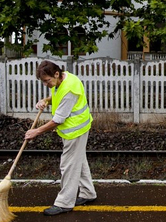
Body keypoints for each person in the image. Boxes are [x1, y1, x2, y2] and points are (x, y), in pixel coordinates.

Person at [25, 60, 97, 216]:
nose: (46, 84)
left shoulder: (70, 89)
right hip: (75, 129)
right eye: (43, 82)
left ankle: (64, 203)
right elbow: (56, 95)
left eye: (47, 81)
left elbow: (58, 120)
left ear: (56, 74)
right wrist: (45, 100)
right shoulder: (63, 79)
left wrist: (36, 132)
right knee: (79, 161)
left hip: (74, 131)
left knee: (68, 165)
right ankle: (88, 193)